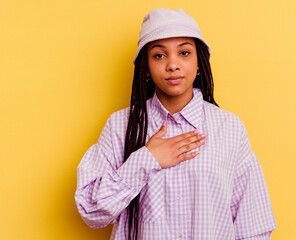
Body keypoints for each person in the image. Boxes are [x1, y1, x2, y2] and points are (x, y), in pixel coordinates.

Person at [75, 8, 276, 240]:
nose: (173, 65)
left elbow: (252, 225)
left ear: (200, 62)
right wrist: (146, 159)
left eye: (184, 53)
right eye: (159, 55)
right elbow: (91, 211)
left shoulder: (229, 127)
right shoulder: (120, 126)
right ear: (146, 68)